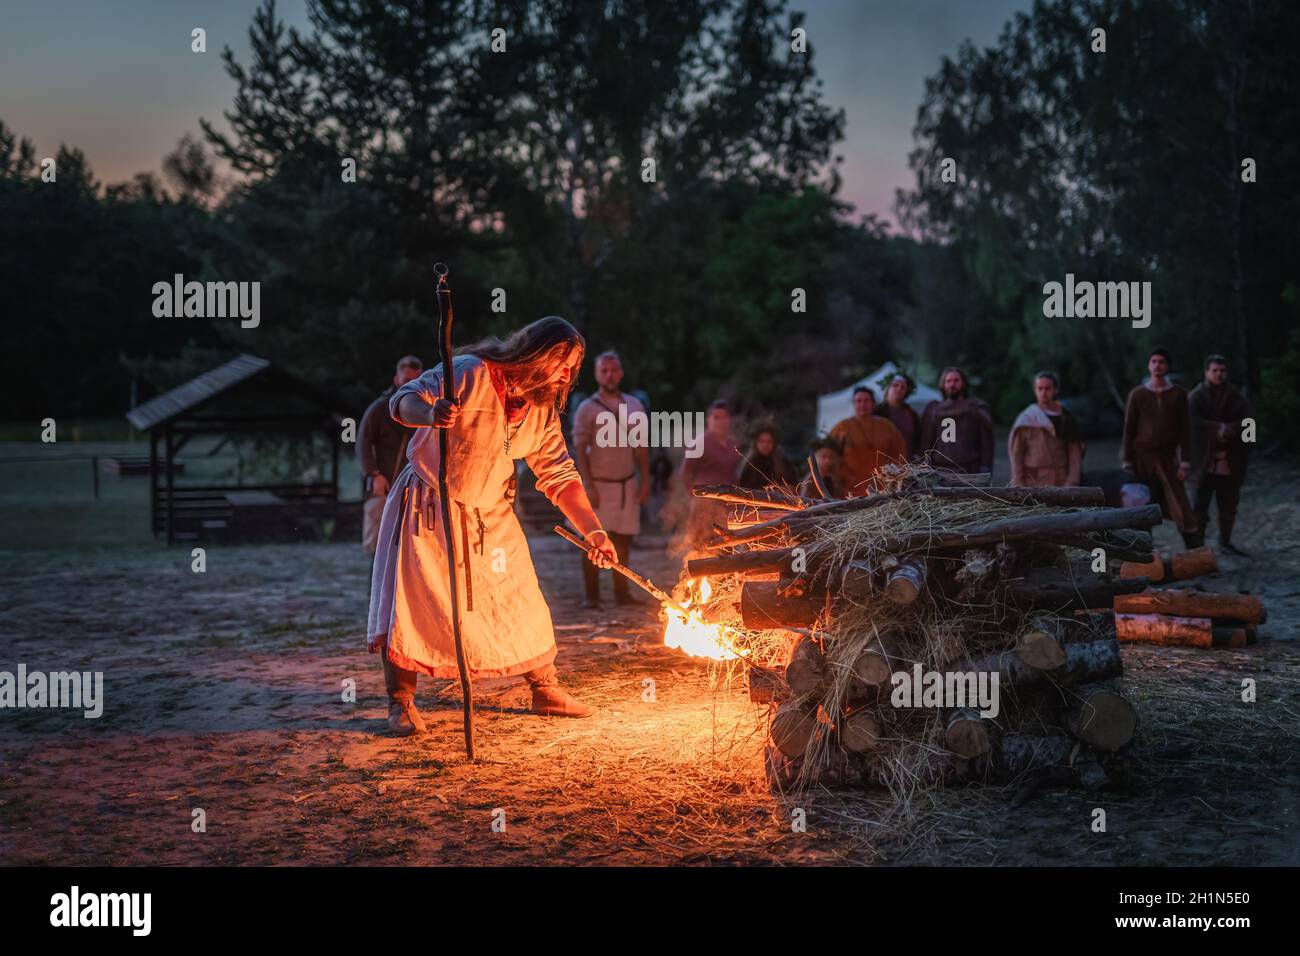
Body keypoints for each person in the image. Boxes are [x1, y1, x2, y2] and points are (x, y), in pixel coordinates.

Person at [367, 317, 617, 735]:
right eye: (560, 361)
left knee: (519, 596)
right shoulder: (469, 372)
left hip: (492, 514)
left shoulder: (541, 409)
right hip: (429, 505)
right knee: (412, 604)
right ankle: (401, 703)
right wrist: (431, 413)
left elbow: (559, 475)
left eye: (572, 367)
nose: (564, 374)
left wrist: (594, 532)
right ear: (536, 351)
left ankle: (544, 688)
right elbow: (403, 401)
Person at [571, 350, 651, 608]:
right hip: (599, 484)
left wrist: (645, 480)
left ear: (621, 373)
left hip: (627, 483)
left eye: (614, 370)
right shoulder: (587, 408)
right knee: (592, 541)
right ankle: (592, 597)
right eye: (604, 370)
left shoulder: (634, 405)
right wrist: (588, 484)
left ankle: (622, 593)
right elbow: (580, 447)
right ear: (596, 374)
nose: (610, 375)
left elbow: (641, 447)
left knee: (624, 540)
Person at [1122, 347, 1199, 548]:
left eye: (1162, 362)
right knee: (1141, 504)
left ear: (1168, 366)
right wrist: (1127, 462)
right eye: (1154, 361)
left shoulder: (1179, 394)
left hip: (1167, 458)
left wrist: (1185, 462)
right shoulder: (1137, 394)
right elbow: (1129, 429)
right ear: (1149, 365)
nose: (1157, 365)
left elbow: (1186, 430)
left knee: (1180, 505)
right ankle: (1143, 552)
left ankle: (1195, 551)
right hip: (1142, 458)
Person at [358, 355, 423, 553]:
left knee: (408, 549)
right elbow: (362, 442)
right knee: (378, 546)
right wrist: (374, 474)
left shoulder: (425, 410)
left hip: (413, 488)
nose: (409, 384)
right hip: (383, 485)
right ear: (396, 380)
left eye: (414, 381)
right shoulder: (379, 409)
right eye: (406, 380)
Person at [1189, 354, 1252, 556]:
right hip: (1203, 463)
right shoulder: (1196, 396)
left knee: (1228, 507)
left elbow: (1249, 423)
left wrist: (1232, 431)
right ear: (1207, 372)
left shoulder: (1237, 397)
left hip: (1230, 461)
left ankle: (1225, 541)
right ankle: (1198, 546)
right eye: (1214, 370)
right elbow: (1190, 422)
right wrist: (1217, 428)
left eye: (1222, 370)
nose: (1218, 374)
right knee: (1199, 508)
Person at [679, 400, 743, 552]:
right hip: (704, 504)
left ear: (730, 420)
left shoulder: (734, 444)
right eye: (716, 417)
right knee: (702, 546)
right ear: (709, 420)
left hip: (728, 504)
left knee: (727, 545)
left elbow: (734, 471)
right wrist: (695, 497)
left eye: (725, 417)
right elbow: (685, 473)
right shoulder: (699, 443)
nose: (721, 421)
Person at [1008, 371, 1084, 487]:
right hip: (1033, 482)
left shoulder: (1065, 418)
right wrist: (1018, 483)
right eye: (1040, 388)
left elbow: (1074, 454)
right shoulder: (1027, 419)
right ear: (1035, 390)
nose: (1043, 393)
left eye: (1048, 389)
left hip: (1060, 480)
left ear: (1055, 390)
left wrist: (1072, 481)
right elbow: (1017, 455)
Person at [829, 386, 907, 495]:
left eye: (866, 400)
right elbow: (829, 454)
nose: (862, 404)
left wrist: (892, 474)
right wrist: (843, 475)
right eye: (858, 401)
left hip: (882, 487)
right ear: (854, 404)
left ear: (873, 403)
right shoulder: (842, 427)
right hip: (850, 488)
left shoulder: (887, 426)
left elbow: (900, 453)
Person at [919, 367, 994, 476]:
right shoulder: (933, 410)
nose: (952, 384)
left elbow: (986, 441)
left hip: (969, 471)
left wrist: (985, 465)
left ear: (963, 383)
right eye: (948, 381)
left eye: (956, 380)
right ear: (943, 384)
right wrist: (925, 465)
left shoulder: (976, 409)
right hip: (939, 472)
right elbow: (926, 443)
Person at [874, 373, 922, 460]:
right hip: (883, 464)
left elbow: (918, 439)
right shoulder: (877, 412)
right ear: (887, 388)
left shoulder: (912, 414)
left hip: (907, 463)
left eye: (903, 387)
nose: (899, 388)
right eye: (895, 385)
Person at [736, 423, 797, 490]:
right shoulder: (750, 464)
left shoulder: (781, 462)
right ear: (756, 443)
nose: (765, 445)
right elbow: (745, 488)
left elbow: (793, 484)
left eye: (769, 442)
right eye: (762, 441)